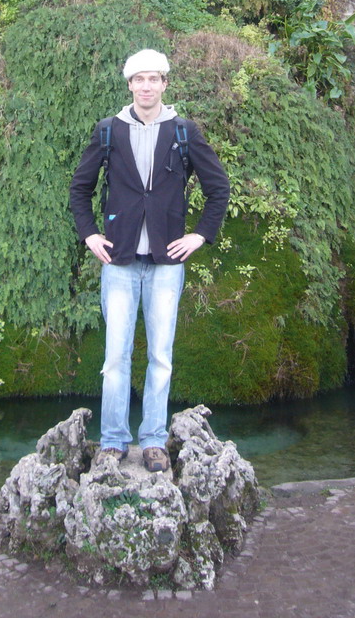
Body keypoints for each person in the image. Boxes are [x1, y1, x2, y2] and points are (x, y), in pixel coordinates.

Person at [69, 49, 230, 472]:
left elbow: (219, 189)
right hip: (119, 261)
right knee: (115, 356)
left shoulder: (184, 132)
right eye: (138, 79)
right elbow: (79, 190)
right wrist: (89, 235)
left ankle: (154, 439)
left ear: (164, 84)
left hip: (166, 263)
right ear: (129, 85)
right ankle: (114, 441)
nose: (145, 86)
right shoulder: (109, 132)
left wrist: (199, 235)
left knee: (160, 355)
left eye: (153, 79)